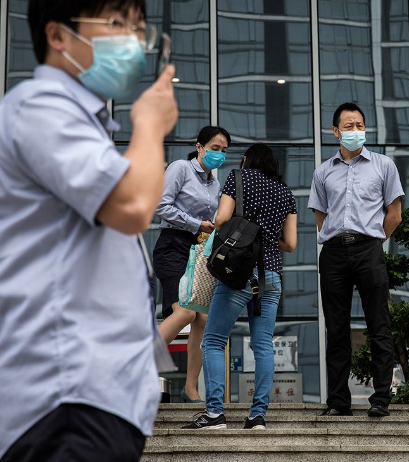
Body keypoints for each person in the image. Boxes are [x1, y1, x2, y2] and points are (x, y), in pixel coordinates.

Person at [0, 0, 178, 460]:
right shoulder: (40, 106)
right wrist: (149, 125)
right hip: (65, 397)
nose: (135, 42)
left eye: (140, 28)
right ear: (58, 36)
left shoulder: (82, 124)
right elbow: (134, 204)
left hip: (94, 399)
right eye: (118, 23)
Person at [183, 143, 297, 430]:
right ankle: (258, 415)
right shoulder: (286, 194)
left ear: (246, 160)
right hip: (271, 275)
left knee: (213, 341)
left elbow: (222, 218)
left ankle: (214, 414)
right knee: (263, 346)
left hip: (239, 273)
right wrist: (266, 238)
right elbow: (291, 244)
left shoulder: (238, 177)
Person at [308, 102, 404, 418]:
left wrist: (374, 240)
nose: (355, 130)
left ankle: (380, 400)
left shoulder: (384, 166)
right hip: (333, 252)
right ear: (335, 131)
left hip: (369, 250)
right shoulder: (322, 172)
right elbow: (322, 217)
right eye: (348, 126)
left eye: (359, 125)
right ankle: (338, 401)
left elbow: (394, 214)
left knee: (379, 324)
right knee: (337, 328)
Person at [153, 125, 230, 403]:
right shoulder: (180, 169)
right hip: (173, 245)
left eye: (223, 151)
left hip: (198, 252)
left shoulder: (215, 184)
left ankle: (191, 387)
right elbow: (160, 206)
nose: (218, 155)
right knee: (185, 313)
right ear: (199, 147)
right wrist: (197, 223)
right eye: (214, 149)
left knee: (204, 319)